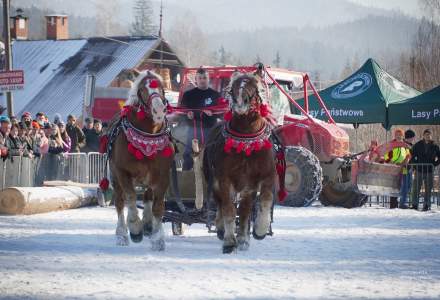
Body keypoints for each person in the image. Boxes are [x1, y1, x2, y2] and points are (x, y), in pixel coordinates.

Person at [180, 67, 221, 170]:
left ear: (208, 79)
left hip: (211, 129)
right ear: (196, 80)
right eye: (200, 78)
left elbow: (221, 113)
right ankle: (187, 173)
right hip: (193, 129)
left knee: (212, 152)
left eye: (204, 78)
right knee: (188, 153)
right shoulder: (188, 95)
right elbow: (182, 111)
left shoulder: (215, 95)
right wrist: (187, 115)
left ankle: (211, 174)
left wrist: (213, 114)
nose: (202, 80)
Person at [411, 129, 440, 211]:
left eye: (429, 134)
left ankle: (427, 204)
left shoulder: (435, 146)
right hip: (419, 170)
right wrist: (416, 165)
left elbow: (439, 157)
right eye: (426, 134)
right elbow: (412, 156)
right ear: (423, 135)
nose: (428, 136)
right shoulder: (418, 145)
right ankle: (414, 204)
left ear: (431, 136)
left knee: (428, 189)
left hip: (429, 171)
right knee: (416, 188)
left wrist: (434, 164)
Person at [383, 129, 411, 209]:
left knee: (405, 186)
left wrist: (405, 161)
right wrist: (391, 162)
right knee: (394, 186)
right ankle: (393, 204)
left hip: (403, 168)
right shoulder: (391, 144)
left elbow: (408, 155)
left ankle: (402, 203)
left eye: (400, 134)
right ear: (395, 135)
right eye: (397, 134)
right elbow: (386, 156)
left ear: (403, 136)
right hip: (393, 169)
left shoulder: (405, 145)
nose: (398, 136)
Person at [399, 129, 416, 208]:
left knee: (408, 185)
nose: (413, 139)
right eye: (412, 137)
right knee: (405, 186)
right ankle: (403, 202)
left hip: (409, 168)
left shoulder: (411, 145)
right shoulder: (403, 145)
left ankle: (403, 201)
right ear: (409, 137)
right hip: (404, 167)